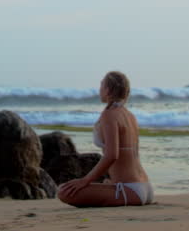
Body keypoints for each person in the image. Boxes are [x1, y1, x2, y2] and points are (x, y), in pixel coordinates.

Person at [57, 71, 154, 206]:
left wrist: (85, 180)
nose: (99, 90)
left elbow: (112, 155)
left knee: (63, 191)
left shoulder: (109, 115)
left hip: (129, 190)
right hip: (145, 187)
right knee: (93, 186)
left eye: (101, 85)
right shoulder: (129, 115)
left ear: (108, 90)